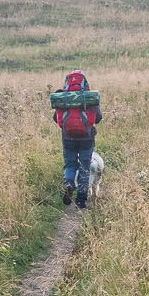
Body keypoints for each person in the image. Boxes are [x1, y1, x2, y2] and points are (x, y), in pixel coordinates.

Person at [53, 70, 102, 208]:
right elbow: (98, 118)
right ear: (84, 83)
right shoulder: (90, 97)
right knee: (84, 166)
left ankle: (68, 183)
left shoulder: (63, 97)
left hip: (68, 137)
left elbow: (55, 119)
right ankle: (81, 199)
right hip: (87, 137)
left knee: (70, 164)